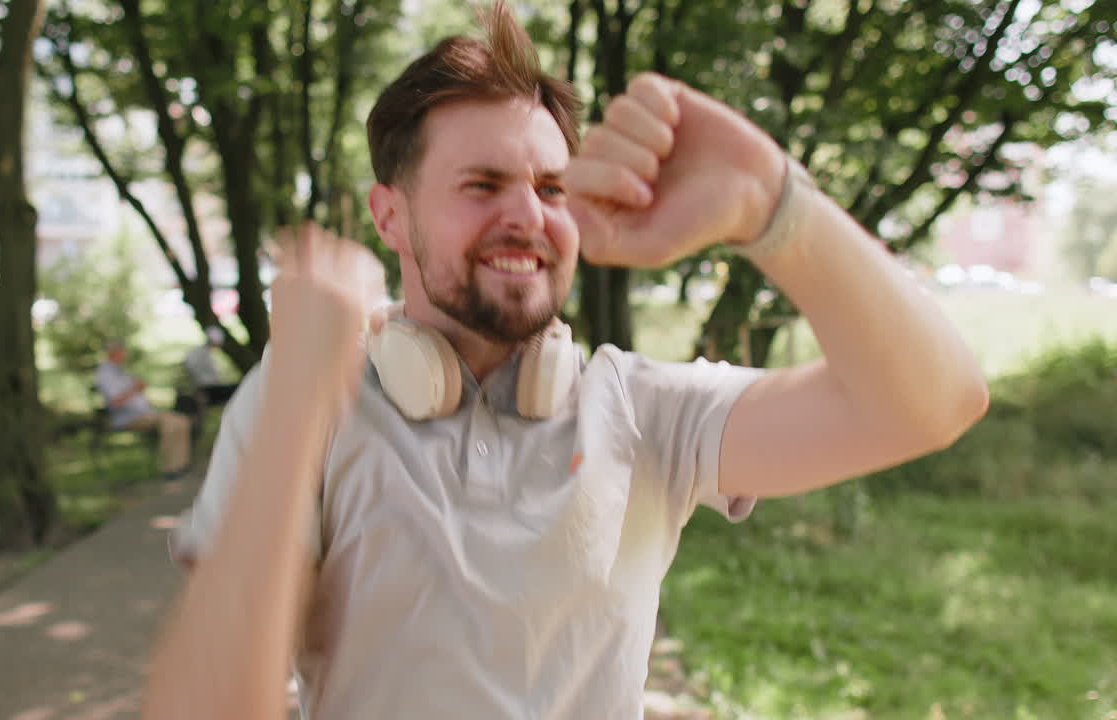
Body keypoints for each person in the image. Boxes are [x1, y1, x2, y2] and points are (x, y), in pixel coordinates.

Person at [142, 4, 989, 719]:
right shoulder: (303, 398)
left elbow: (935, 403)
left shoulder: (645, 412)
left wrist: (769, 201)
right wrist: (295, 407)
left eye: (551, 189)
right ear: (390, 216)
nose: (529, 216)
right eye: (483, 185)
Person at [94, 339, 192, 479]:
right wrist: (134, 388)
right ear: (114, 352)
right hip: (129, 417)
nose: (125, 355)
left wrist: (138, 389)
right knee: (170, 423)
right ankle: (170, 468)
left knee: (182, 421)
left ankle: (181, 464)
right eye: (122, 352)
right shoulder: (105, 373)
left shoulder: (120, 371)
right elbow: (115, 402)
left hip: (145, 413)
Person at [182, 326, 239, 407]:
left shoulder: (200, 352)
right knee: (237, 389)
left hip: (206, 387)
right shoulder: (202, 354)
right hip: (207, 389)